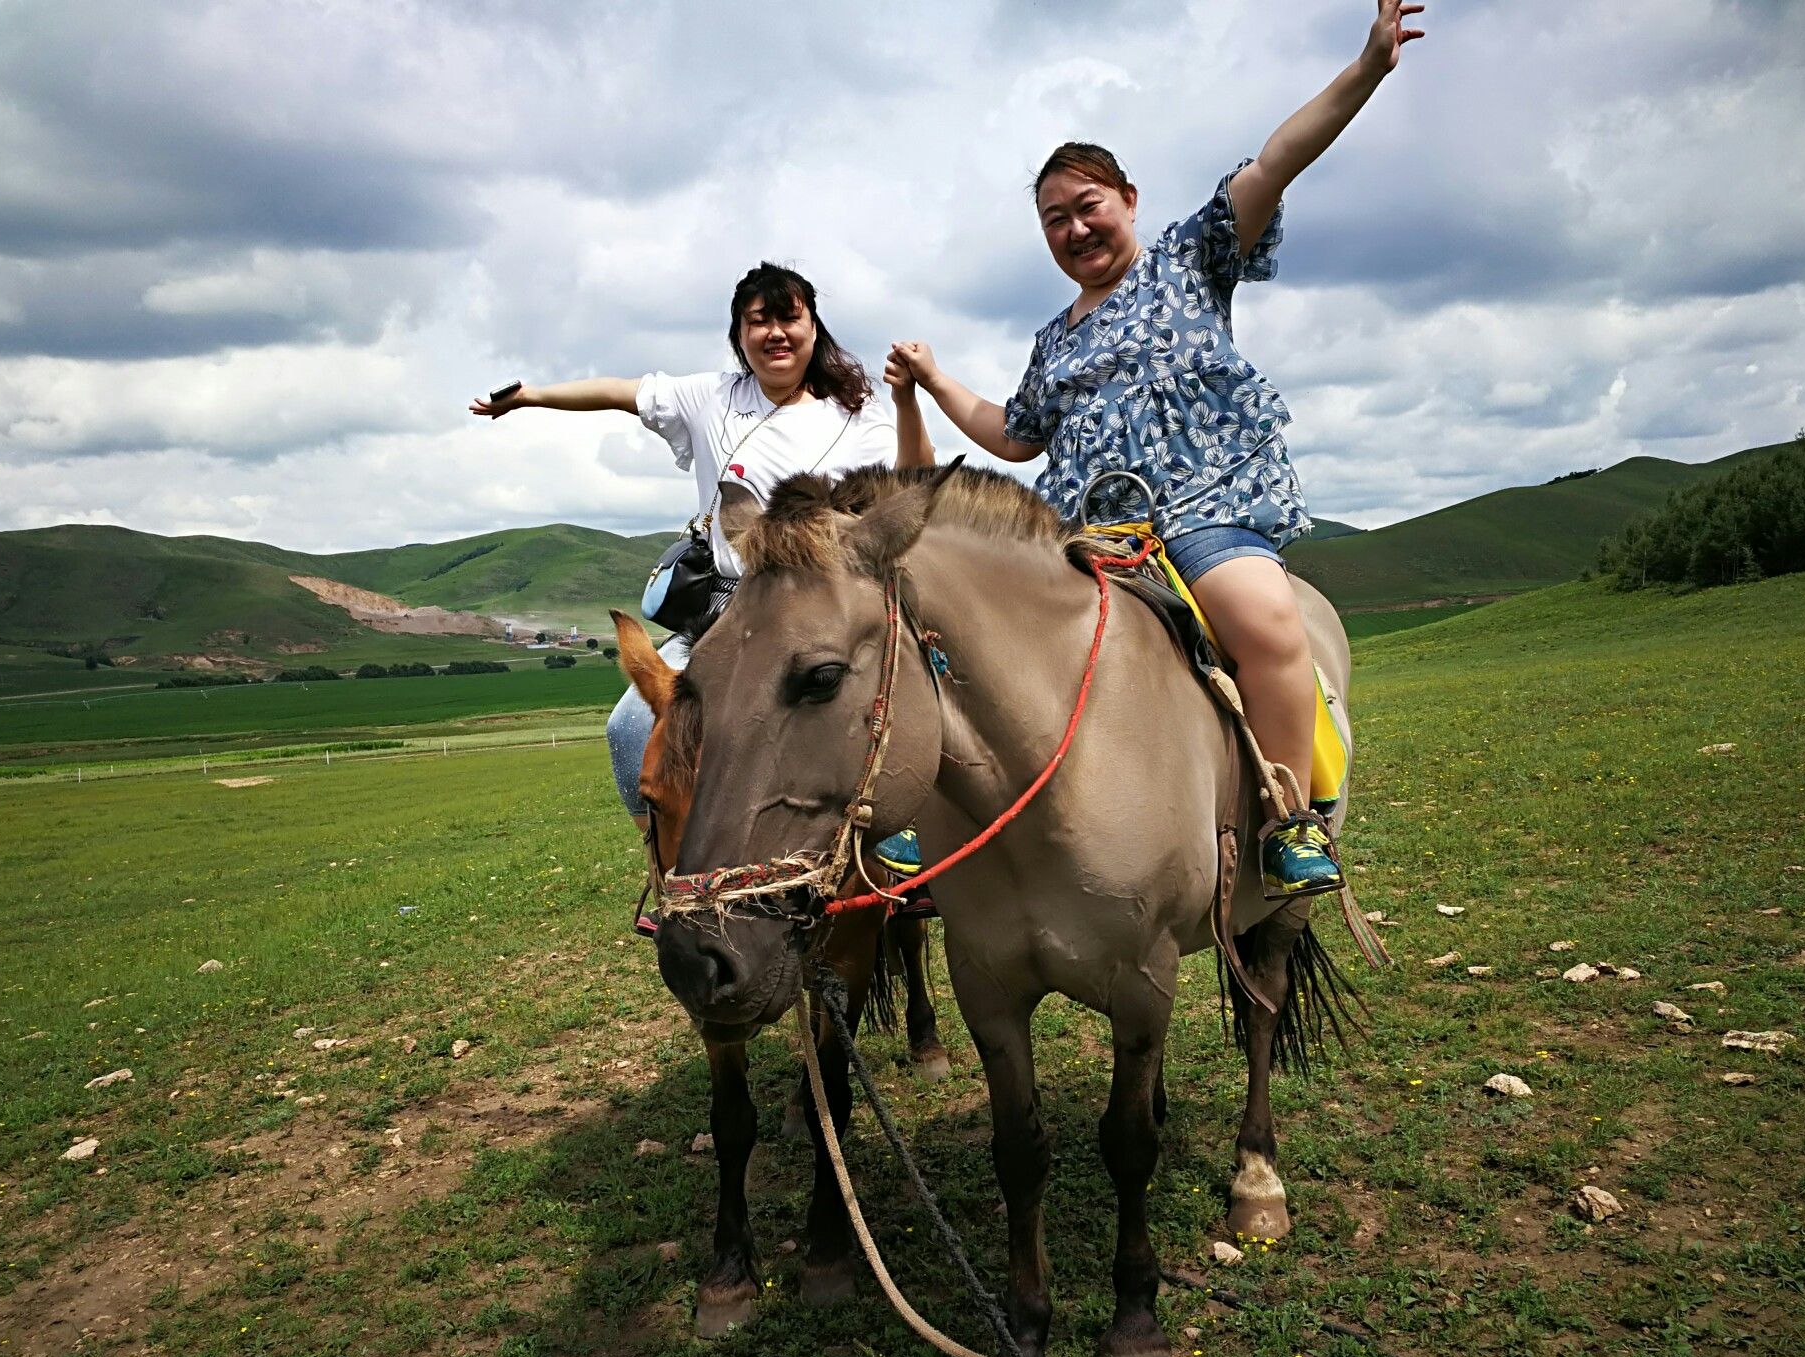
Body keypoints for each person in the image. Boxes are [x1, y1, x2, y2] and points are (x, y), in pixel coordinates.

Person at [888, 0, 1424, 898]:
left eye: (1086, 206)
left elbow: (1278, 159)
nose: (1074, 230)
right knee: (963, 640)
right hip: (1081, 537)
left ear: (1128, 200)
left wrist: (1367, 68)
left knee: (1265, 621)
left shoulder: (1190, 260)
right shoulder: (1053, 340)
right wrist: (937, 384)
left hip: (1198, 514)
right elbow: (1014, 438)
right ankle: (945, 827)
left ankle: (1288, 820)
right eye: (1053, 220)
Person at [472, 262, 934, 920]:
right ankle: (675, 877)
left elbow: (915, 479)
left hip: (828, 613)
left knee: (891, 702)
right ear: (739, 334)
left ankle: (896, 832)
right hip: (729, 616)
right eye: (759, 320)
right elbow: (619, 392)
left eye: (789, 317)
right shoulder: (710, 399)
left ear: (812, 327)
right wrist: (531, 394)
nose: (776, 332)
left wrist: (909, 402)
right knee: (630, 725)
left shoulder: (855, 416)